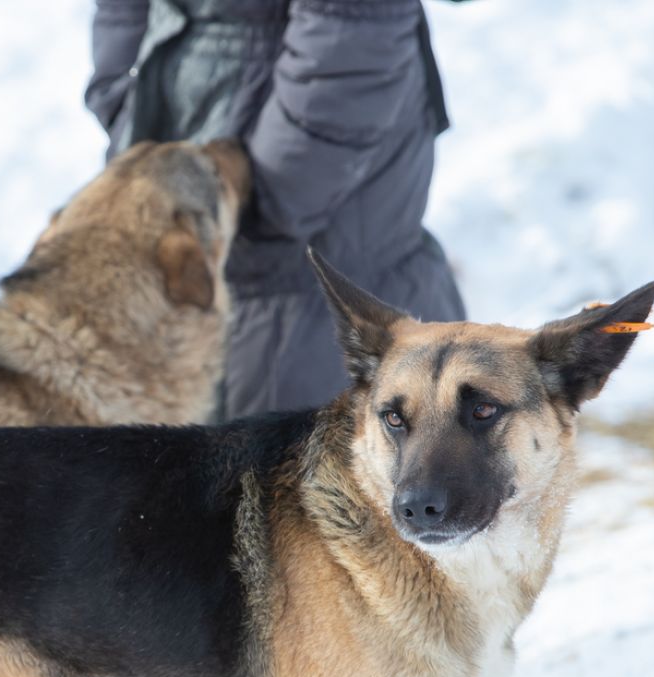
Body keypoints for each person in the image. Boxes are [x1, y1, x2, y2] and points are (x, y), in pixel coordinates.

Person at [86, 0, 467, 418]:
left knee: (319, 457)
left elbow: (351, 20)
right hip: (190, 160)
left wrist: (274, 189)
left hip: (303, 210)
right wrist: (124, 100)